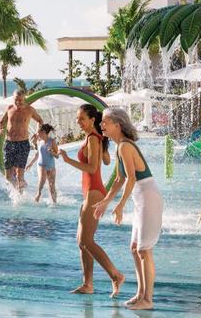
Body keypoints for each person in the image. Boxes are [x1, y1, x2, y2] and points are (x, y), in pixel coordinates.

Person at [93, 107, 163, 311]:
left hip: (148, 196)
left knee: (144, 249)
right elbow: (119, 179)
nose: (101, 125)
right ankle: (140, 294)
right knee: (135, 248)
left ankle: (148, 300)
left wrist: (120, 205)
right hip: (141, 197)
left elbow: (131, 178)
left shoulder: (125, 146)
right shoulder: (119, 146)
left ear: (118, 124)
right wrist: (107, 201)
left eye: (105, 122)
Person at [60, 104, 124, 297]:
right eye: (78, 119)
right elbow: (106, 161)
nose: (78, 122)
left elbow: (92, 168)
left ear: (92, 120)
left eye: (81, 119)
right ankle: (87, 284)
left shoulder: (93, 139)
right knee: (82, 241)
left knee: (86, 240)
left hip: (95, 192)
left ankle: (115, 275)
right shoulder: (96, 138)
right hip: (90, 192)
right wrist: (103, 143)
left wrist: (67, 159)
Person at [0, 89, 43, 190]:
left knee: (19, 175)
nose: (18, 102)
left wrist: (37, 133)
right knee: (8, 177)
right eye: (15, 100)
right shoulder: (9, 108)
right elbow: (1, 122)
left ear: (24, 99)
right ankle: (20, 188)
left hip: (23, 144)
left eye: (20, 100)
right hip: (9, 143)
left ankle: (20, 196)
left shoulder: (30, 110)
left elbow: (40, 121)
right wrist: (0, 129)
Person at [25, 123, 59, 203]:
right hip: (41, 165)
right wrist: (30, 164)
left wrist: (52, 152)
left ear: (43, 132)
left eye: (38, 132)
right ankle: (38, 194)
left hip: (51, 166)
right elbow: (37, 155)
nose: (37, 134)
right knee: (42, 181)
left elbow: (57, 156)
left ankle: (55, 203)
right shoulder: (40, 141)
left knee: (52, 186)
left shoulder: (52, 141)